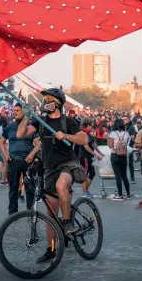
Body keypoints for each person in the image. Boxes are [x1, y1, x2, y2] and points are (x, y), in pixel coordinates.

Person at [17, 88, 87, 263]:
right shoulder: (40, 121)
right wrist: (26, 116)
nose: (44, 102)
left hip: (68, 165)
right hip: (49, 169)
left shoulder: (67, 121)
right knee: (50, 214)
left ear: (57, 103)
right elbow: (21, 134)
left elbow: (83, 139)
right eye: (44, 99)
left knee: (61, 185)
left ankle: (68, 223)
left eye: (48, 99)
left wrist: (67, 136)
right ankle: (52, 249)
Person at [0, 104, 40, 213]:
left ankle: (31, 211)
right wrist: (6, 154)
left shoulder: (31, 126)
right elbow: (1, 142)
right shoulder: (9, 126)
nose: (15, 112)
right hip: (13, 161)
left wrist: (32, 154)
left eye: (17, 110)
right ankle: (12, 212)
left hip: (28, 161)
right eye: (14, 110)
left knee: (30, 187)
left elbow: (38, 144)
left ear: (24, 112)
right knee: (13, 187)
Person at [79, 119, 104, 198]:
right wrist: (96, 155)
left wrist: (99, 152)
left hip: (89, 157)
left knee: (92, 173)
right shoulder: (83, 134)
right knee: (85, 175)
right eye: (90, 126)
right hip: (84, 157)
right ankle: (84, 192)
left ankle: (86, 191)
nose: (92, 127)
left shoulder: (88, 134)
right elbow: (86, 147)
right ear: (87, 126)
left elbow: (93, 144)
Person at [108, 119, 131, 201]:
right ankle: (128, 194)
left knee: (118, 176)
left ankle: (120, 194)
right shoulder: (127, 133)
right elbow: (128, 144)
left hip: (114, 155)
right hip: (124, 156)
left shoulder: (112, 133)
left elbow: (110, 145)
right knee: (124, 175)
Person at [122, 115, 137, 184]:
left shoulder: (131, 128)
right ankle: (123, 177)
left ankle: (132, 178)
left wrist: (132, 138)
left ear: (128, 120)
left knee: (130, 163)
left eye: (125, 119)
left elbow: (133, 137)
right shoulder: (120, 127)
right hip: (121, 147)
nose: (124, 120)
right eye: (123, 119)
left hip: (129, 147)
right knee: (122, 163)